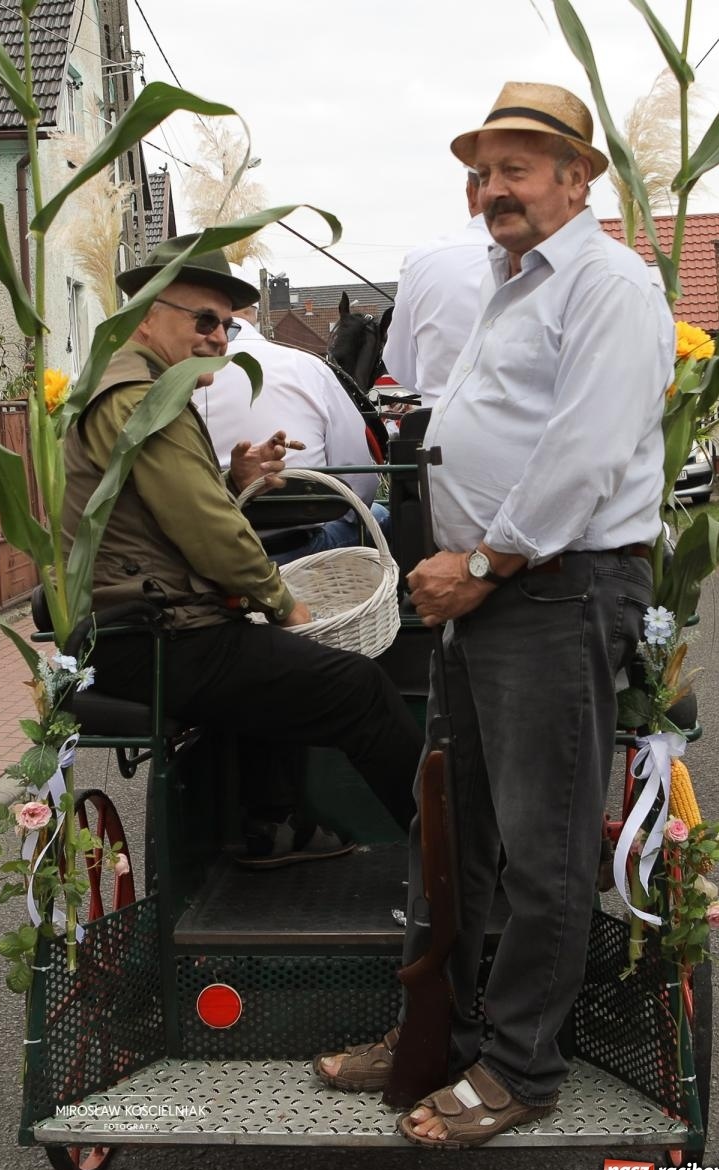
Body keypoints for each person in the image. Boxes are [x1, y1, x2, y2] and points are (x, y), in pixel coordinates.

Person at [314, 81, 675, 1148]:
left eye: (517, 167)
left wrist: (477, 559)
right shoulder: (508, 280)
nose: (492, 188)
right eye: (481, 171)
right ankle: (433, 1034)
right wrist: (462, 563)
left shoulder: (607, 285)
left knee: (539, 843)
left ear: (577, 177)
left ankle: (518, 1068)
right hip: (492, 587)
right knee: (452, 826)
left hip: (550, 589)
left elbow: (583, 453)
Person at [61, 236, 422, 865]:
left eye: (226, 325)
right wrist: (282, 602)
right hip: (154, 636)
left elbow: (162, 511)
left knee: (270, 659)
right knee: (359, 688)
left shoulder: (139, 387)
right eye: (203, 320)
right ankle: (457, 865)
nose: (218, 339)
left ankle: (269, 825)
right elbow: (204, 529)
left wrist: (233, 479)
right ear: (147, 313)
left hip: (144, 626)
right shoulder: (143, 400)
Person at [196, 303, 390, 564]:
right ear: (253, 313)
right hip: (301, 551)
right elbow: (360, 485)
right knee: (381, 515)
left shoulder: (173, 378)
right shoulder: (309, 366)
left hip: (206, 554)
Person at [382, 170, 491, 409]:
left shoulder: (422, 260)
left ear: (471, 192)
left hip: (446, 433)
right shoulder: (576, 259)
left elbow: (400, 364)